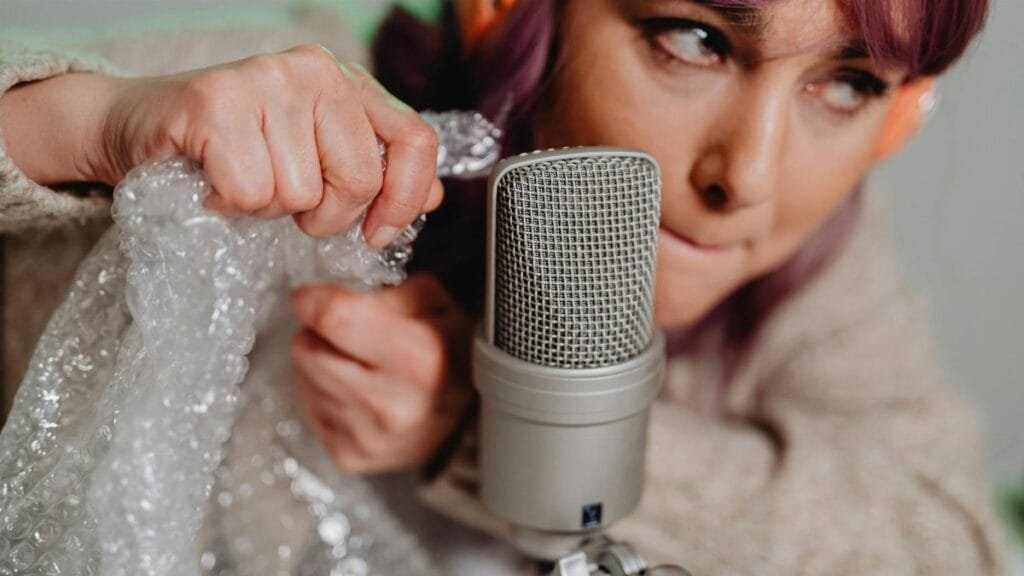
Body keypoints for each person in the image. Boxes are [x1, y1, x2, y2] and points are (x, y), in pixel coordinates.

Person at [0, 0, 1007, 573]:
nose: (745, 174)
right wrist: (88, 123)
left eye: (848, 83)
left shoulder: (812, 258)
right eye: (693, 38)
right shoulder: (288, 104)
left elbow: (942, 541)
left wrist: (480, 431)